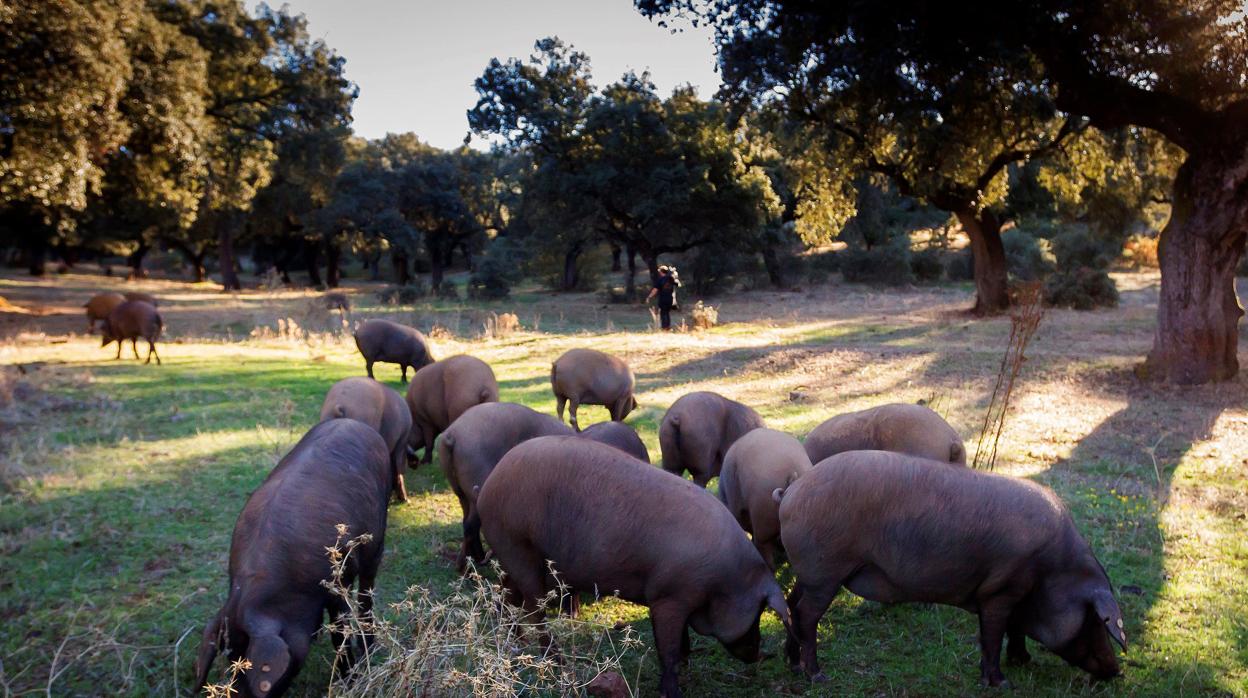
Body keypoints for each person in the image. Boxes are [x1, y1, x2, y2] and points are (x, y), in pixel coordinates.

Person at [646, 265, 680, 330]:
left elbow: (655, 290)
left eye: (659, 272)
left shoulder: (660, 280)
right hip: (670, 299)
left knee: (663, 313)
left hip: (663, 299)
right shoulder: (671, 278)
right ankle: (668, 327)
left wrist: (649, 297)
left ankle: (664, 327)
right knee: (667, 313)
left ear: (661, 272)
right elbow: (678, 284)